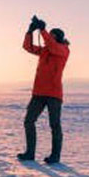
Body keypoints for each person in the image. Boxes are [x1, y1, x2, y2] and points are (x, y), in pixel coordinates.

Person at [17, 15, 70, 164]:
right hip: (38, 93)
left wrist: (43, 30)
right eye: (49, 36)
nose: (49, 39)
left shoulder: (63, 50)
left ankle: (55, 156)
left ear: (58, 39)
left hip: (54, 94)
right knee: (29, 121)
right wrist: (30, 32)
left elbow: (52, 46)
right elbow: (27, 47)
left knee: (54, 125)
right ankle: (30, 153)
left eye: (53, 37)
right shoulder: (45, 51)